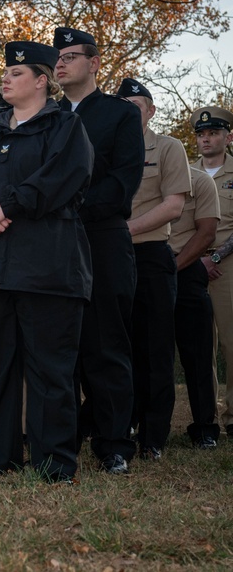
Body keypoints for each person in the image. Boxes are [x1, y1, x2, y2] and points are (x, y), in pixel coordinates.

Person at [0, 41, 94, 482]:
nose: (5, 78)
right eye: (5, 73)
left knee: (51, 371)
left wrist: (5, 207)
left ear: (42, 81)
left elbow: (63, 179)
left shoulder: (65, 128)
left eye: (17, 73)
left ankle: (53, 464)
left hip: (48, 271)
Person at [53, 27, 143, 471]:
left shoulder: (118, 115)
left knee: (106, 345)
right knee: (57, 348)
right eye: (57, 57)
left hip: (101, 240)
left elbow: (122, 185)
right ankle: (61, 442)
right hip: (51, 246)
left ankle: (113, 446)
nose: (61, 63)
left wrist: (62, 206)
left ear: (94, 63)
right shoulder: (43, 116)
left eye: (71, 55)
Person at [118, 79, 190, 461]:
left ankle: (154, 436)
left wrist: (122, 229)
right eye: (122, 105)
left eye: (136, 104)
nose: (129, 111)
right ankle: (119, 425)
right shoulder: (105, 149)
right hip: (111, 259)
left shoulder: (167, 148)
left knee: (156, 349)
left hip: (149, 257)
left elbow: (174, 206)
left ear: (151, 110)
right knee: (116, 346)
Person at [169, 164, 221, 448]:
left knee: (198, 354)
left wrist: (172, 268)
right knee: (146, 353)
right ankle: (146, 425)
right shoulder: (136, 175)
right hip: (144, 269)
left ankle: (204, 427)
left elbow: (207, 232)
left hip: (184, 269)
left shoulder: (199, 181)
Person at [190, 106, 233, 438]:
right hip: (191, 264)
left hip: (227, 267)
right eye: (202, 135)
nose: (207, 139)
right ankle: (206, 419)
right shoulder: (187, 173)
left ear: (227, 137)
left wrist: (215, 257)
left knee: (230, 344)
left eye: (213, 133)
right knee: (199, 346)